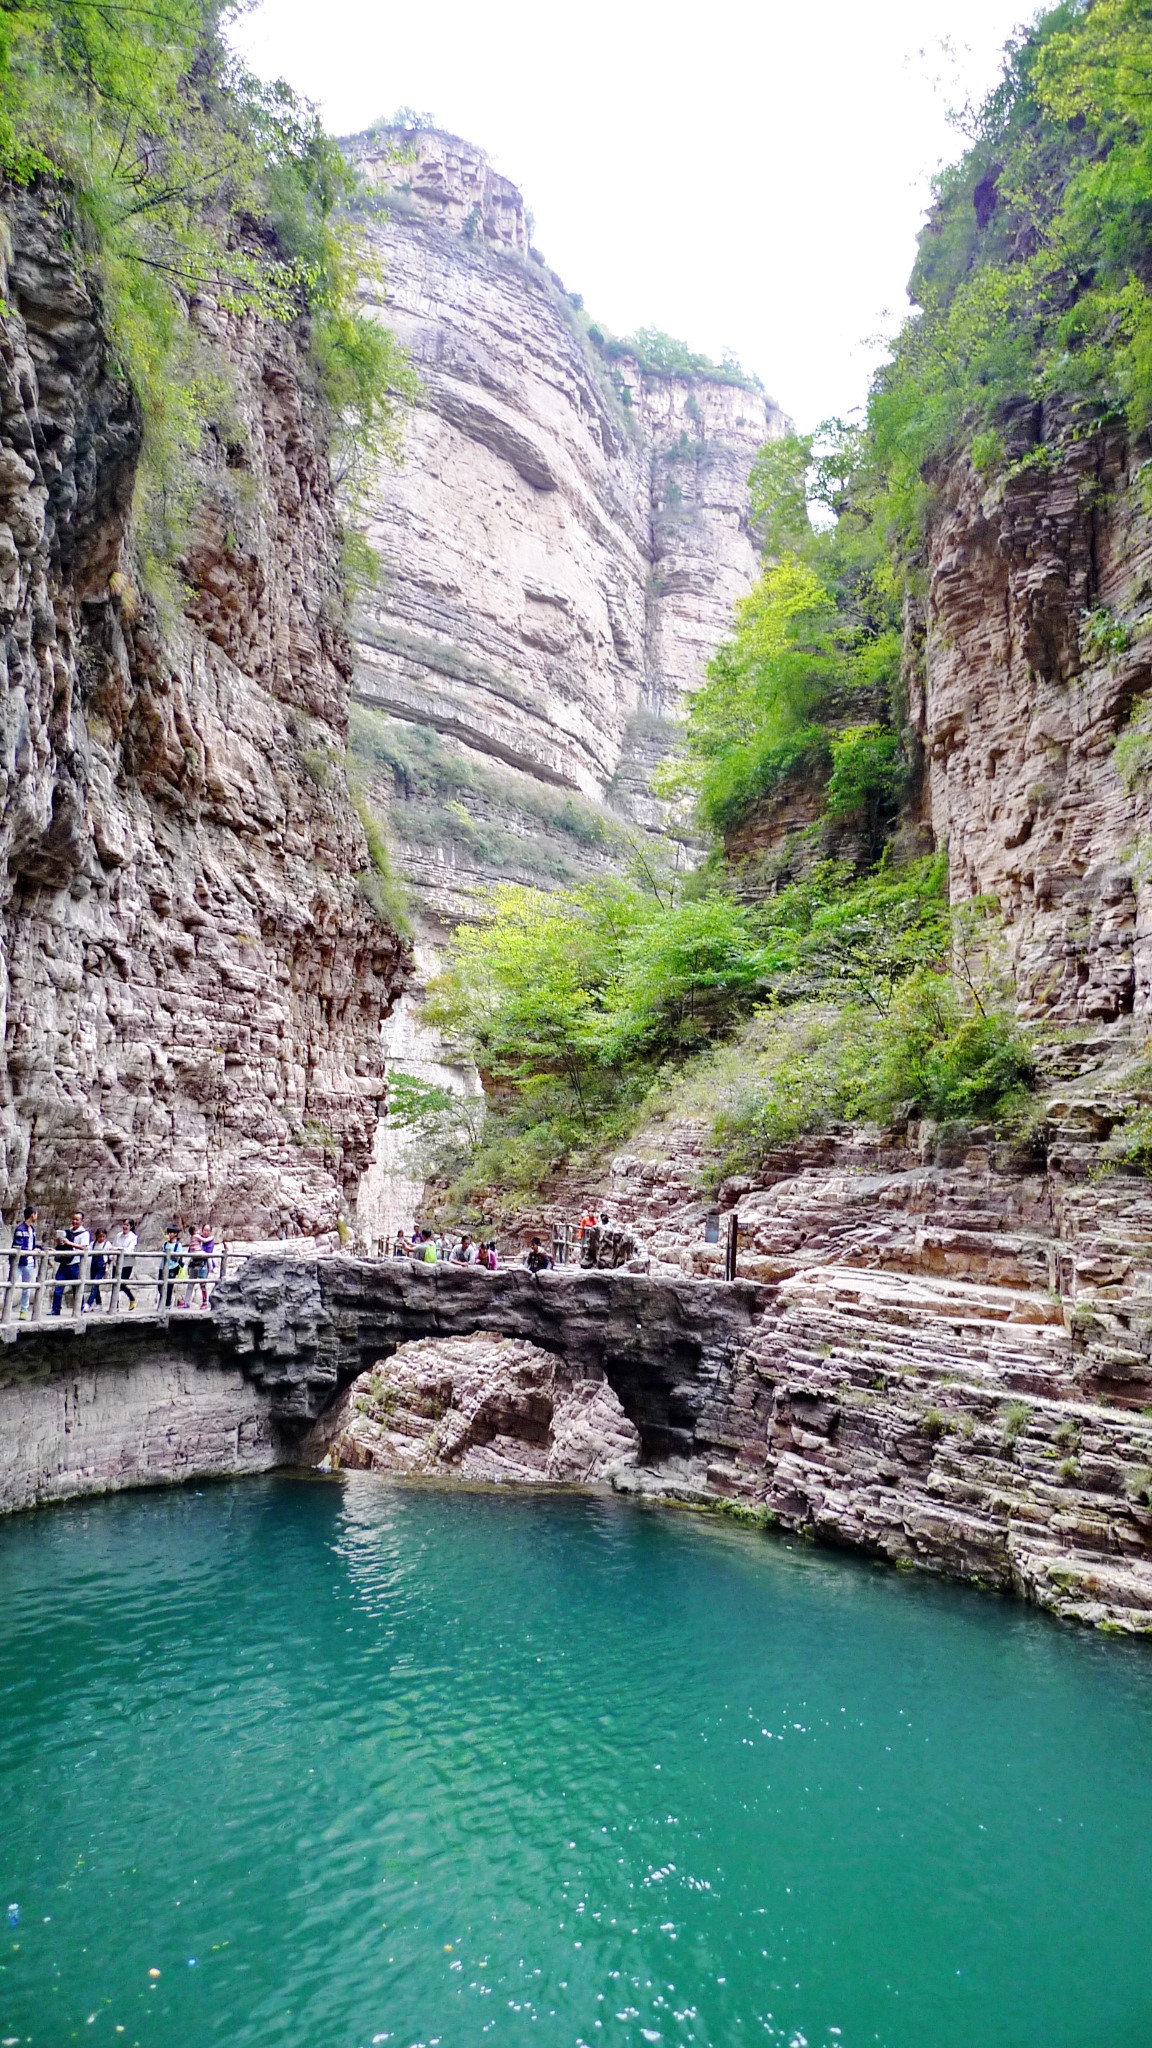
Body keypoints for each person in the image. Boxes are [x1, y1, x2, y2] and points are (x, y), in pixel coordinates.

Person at [51, 1211, 89, 1316]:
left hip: (74, 1264)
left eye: (77, 1220)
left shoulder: (84, 1233)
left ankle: (79, 1308)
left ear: (82, 1221)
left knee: (76, 1288)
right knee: (58, 1286)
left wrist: (69, 1243)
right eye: (73, 1219)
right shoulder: (68, 1231)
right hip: (65, 1262)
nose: (74, 1221)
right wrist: (60, 1243)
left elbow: (84, 1247)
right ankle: (55, 1309)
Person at [13, 1205, 37, 1320]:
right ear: (32, 1215)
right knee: (11, 1284)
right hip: (19, 1262)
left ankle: (24, 1310)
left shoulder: (32, 1230)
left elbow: (33, 1244)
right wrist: (32, 1251)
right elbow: (19, 1246)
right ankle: (6, 1309)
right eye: (36, 1214)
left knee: (26, 1287)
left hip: (30, 1262)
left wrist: (41, 1249)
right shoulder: (20, 1229)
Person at [111, 1220, 138, 1311]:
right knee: (114, 1284)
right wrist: (111, 1257)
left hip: (127, 1263)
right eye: (124, 1224)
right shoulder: (118, 1235)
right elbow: (113, 1246)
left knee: (121, 1284)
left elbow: (130, 1250)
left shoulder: (133, 1237)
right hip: (117, 1263)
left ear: (131, 1226)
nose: (125, 1227)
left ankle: (132, 1298)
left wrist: (119, 1249)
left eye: (127, 1225)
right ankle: (115, 1306)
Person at [84, 1228, 110, 1311]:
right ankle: (99, 1303)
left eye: (103, 1236)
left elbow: (111, 1255)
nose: (101, 1238)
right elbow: (88, 1250)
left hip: (101, 1267)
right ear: (96, 1236)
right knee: (94, 1284)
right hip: (94, 1265)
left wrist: (107, 1266)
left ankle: (88, 1303)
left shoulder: (107, 1244)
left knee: (95, 1283)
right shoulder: (93, 1244)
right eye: (100, 1236)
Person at [160, 1227, 184, 1310]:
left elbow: (177, 1258)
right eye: (168, 1232)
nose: (169, 1234)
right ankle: (161, 1302)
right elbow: (160, 1250)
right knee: (160, 1286)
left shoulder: (178, 1245)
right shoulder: (165, 1243)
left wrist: (169, 1251)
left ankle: (167, 1304)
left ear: (175, 1234)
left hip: (172, 1267)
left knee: (169, 1287)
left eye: (171, 1232)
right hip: (162, 1267)